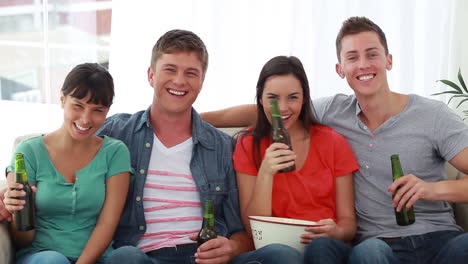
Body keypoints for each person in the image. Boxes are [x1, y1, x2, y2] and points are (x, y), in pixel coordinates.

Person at [201, 16, 468, 264]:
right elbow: (273, 109)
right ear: (341, 69)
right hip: (377, 246)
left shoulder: (433, 115)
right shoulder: (333, 112)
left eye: (371, 54)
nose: (363, 65)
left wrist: (432, 190)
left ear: (389, 60)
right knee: (369, 251)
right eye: (353, 57)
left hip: (441, 238)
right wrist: (193, 117)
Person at [96, 29, 256, 264]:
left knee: (280, 255)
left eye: (191, 73)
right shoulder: (117, 133)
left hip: (203, 258)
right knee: (125, 258)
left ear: (201, 82)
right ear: (151, 75)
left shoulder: (222, 146)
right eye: (170, 69)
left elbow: (240, 231)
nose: (179, 81)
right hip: (142, 258)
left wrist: (231, 248)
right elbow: (67, 150)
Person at [230, 55, 358, 264]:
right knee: (284, 256)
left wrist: (336, 231)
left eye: (292, 97)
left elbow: (349, 224)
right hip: (272, 254)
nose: (282, 108)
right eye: (273, 98)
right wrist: (266, 173)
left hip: (323, 250)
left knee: (321, 248)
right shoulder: (248, 145)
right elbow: (254, 231)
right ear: (260, 98)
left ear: (304, 98)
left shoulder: (333, 142)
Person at [2, 63, 132, 264]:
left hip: (98, 257)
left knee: (130, 256)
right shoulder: (28, 152)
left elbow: (107, 223)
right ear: (62, 100)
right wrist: (17, 211)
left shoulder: (115, 152)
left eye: (97, 110)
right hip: (42, 256)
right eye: (78, 106)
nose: (86, 119)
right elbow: (23, 239)